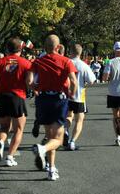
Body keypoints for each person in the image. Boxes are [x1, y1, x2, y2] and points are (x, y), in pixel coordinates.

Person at [27, 35, 78, 181]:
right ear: (58, 46)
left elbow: (29, 80)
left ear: (44, 47)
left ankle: (51, 169)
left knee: (50, 136)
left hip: (42, 99)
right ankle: (42, 149)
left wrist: (34, 87)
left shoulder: (38, 61)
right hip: (58, 99)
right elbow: (73, 81)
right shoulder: (66, 61)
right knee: (58, 139)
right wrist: (71, 94)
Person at [0, 38, 32, 167]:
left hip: (2, 96)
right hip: (17, 96)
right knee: (18, 129)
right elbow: (29, 82)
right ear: (21, 49)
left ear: (7, 49)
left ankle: (1, 142)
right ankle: (10, 156)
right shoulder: (26, 63)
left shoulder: (0, 62)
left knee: (4, 127)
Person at [64, 44, 96, 151]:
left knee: (68, 116)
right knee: (79, 119)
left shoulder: (66, 62)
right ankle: (72, 141)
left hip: (66, 95)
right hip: (79, 96)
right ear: (81, 53)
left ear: (70, 51)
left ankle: (65, 130)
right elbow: (92, 80)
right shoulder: (83, 65)